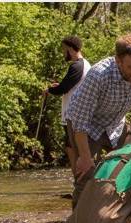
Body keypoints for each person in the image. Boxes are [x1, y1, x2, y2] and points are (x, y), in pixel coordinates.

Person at [65, 33, 131, 208]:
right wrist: (85, 156)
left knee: (128, 167)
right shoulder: (99, 74)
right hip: (86, 124)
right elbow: (80, 121)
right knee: (86, 175)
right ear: (118, 61)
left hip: (116, 122)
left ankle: (115, 217)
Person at [44, 36, 91, 173]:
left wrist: (49, 90)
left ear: (70, 49)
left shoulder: (76, 66)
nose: (63, 53)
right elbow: (71, 85)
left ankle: (79, 178)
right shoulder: (85, 65)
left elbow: (63, 89)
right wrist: (60, 86)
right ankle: (80, 179)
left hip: (73, 114)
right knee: (72, 146)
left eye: (64, 49)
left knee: (72, 147)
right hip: (78, 113)